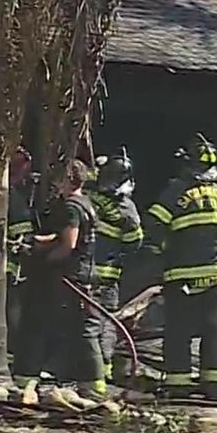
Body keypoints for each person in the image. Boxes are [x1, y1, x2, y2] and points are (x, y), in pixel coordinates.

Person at [141, 133, 217, 399]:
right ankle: (214, 385)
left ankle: (178, 384)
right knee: (214, 330)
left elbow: (154, 225)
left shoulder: (176, 192)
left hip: (182, 275)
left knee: (179, 330)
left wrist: (160, 253)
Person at [13, 159, 107, 401]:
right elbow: (62, 234)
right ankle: (91, 384)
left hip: (71, 276)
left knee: (74, 329)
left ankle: (92, 386)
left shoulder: (71, 207)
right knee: (79, 328)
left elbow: (68, 244)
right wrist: (36, 242)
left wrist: (43, 261)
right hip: (80, 275)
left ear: (69, 180)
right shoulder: (83, 203)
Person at [87, 150, 144, 379]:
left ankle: (89, 370)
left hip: (84, 273)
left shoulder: (86, 197)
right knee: (107, 322)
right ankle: (104, 368)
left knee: (86, 324)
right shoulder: (127, 208)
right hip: (109, 274)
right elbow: (134, 242)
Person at [5, 145, 38, 358]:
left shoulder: (14, 195)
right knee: (11, 308)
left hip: (13, 267)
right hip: (8, 266)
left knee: (12, 308)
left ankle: (13, 349)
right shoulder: (12, 197)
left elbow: (23, 234)